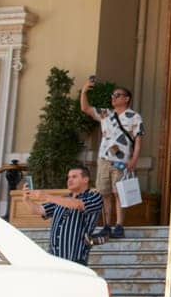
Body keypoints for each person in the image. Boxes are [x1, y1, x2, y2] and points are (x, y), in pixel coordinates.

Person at [80, 78, 144, 240]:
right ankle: (107, 225)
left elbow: (138, 139)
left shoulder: (134, 117)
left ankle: (119, 225)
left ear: (126, 99)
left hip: (122, 161)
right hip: (104, 159)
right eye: (112, 95)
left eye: (117, 95)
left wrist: (134, 159)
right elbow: (85, 108)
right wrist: (84, 90)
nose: (113, 98)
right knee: (104, 193)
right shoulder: (106, 114)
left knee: (119, 193)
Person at [23, 166, 103, 266]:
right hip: (54, 258)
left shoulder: (95, 196)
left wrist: (47, 196)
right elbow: (38, 210)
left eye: (74, 177)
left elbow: (78, 204)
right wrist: (26, 199)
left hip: (76, 259)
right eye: (68, 177)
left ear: (85, 179)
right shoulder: (61, 199)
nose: (69, 180)